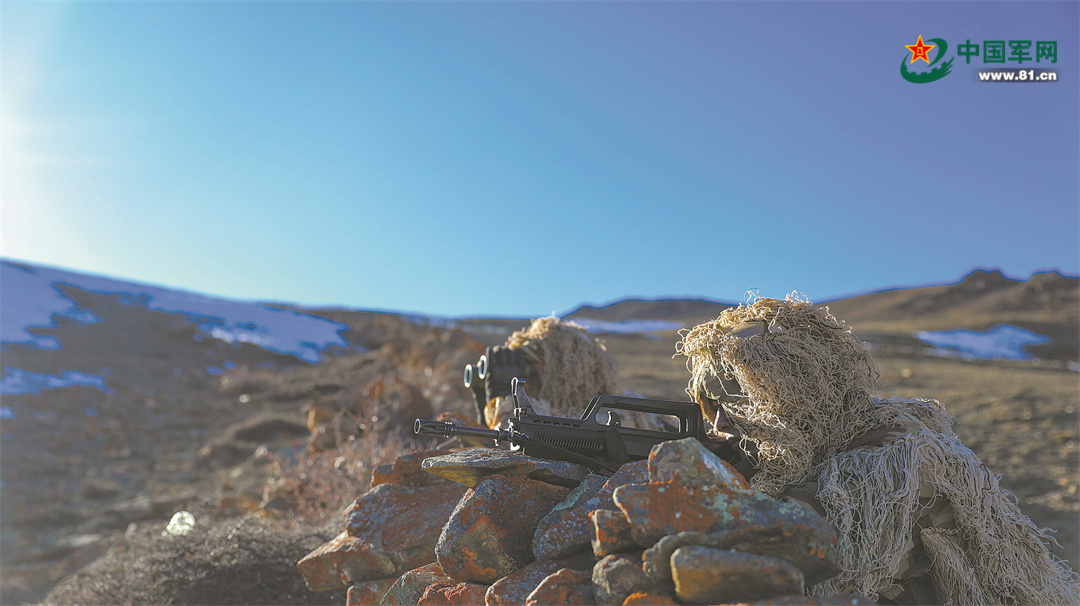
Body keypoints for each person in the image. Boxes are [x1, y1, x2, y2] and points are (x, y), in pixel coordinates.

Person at [676, 294, 1080, 605]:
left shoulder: (895, 460)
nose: (719, 422)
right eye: (711, 405)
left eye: (738, 399)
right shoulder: (824, 440)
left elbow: (790, 547)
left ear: (798, 393)